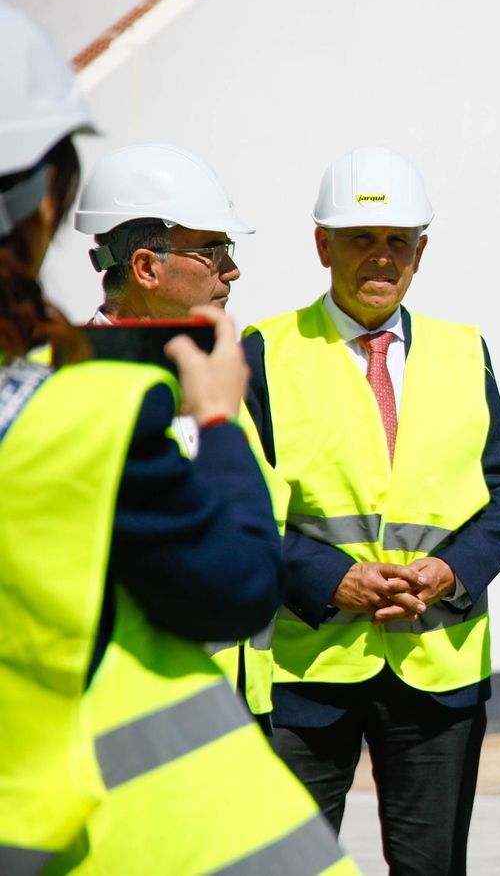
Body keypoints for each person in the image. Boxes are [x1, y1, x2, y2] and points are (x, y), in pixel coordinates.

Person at [0, 0, 353, 873]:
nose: (233, 271)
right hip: (99, 809)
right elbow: (229, 577)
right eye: (214, 251)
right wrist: (218, 423)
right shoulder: (80, 405)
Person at [242, 145, 500, 876]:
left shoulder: (466, 351)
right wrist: (325, 578)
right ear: (322, 246)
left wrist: (450, 571)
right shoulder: (264, 352)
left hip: (437, 664)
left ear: (421, 252)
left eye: (397, 242)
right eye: (360, 240)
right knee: (285, 865)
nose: (381, 258)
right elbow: (240, 509)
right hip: (308, 666)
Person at [73, 141, 287, 723]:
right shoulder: (76, 386)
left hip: (242, 700)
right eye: (213, 251)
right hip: (136, 713)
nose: (232, 270)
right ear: (146, 266)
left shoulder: (213, 367)